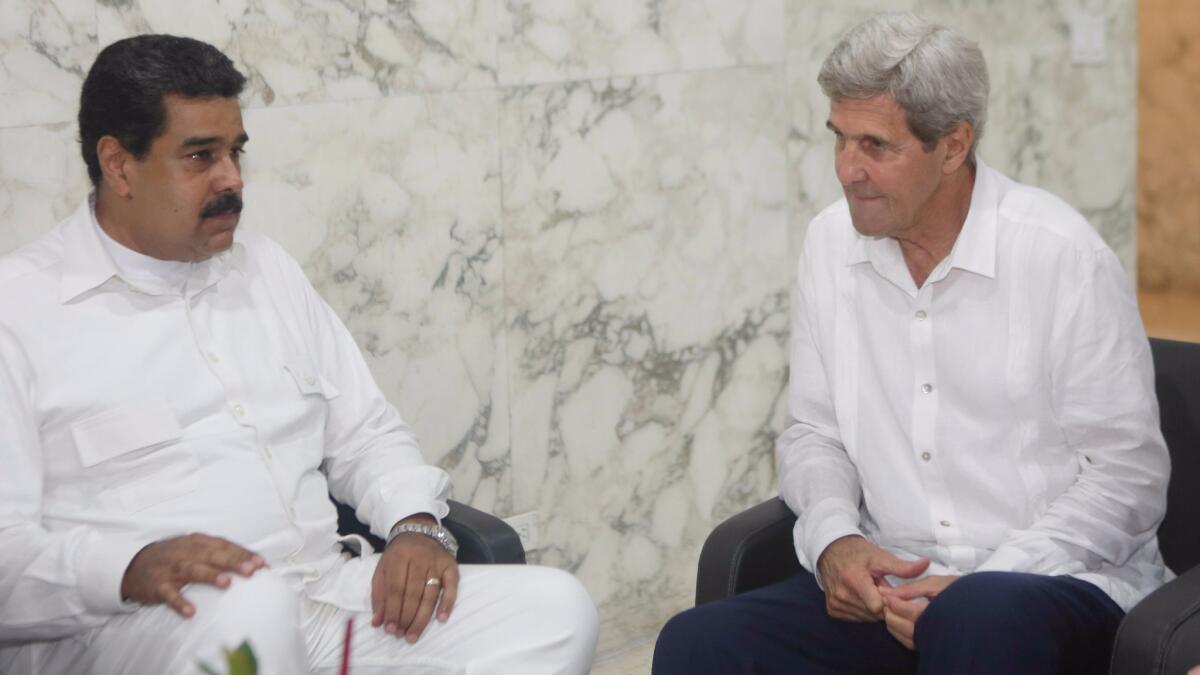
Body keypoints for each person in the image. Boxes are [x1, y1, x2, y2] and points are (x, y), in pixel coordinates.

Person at [0, 34, 598, 675]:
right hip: (144, 633)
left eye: (235, 152)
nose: (231, 179)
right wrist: (126, 569)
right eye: (200, 156)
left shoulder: (266, 270)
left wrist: (415, 523)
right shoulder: (20, 311)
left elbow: (366, 433)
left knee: (555, 609)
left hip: (323, 603)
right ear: (118, 165)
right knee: (246, 609)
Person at [654, 12, 1168, 674]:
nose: (847, 169)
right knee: (696, 642)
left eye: (876, 146)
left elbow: (1128, 476)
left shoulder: (1061, 257)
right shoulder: (829, 245)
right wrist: (836, 538)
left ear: (952, 146)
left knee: (975, 621)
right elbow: (815, 433)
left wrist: (987, 579)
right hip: (890, 590)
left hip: (1050, 585)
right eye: (839, 139)